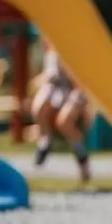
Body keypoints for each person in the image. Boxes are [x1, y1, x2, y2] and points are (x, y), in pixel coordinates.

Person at [32, 38, 91, 184]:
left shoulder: (72, 48)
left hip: (73, 89)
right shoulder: (51, 48)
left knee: (64, 122)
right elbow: (49, 76)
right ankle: (45, 141)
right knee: (39, 107)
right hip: (56, 87)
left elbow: (79, 78)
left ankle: (82, 158)